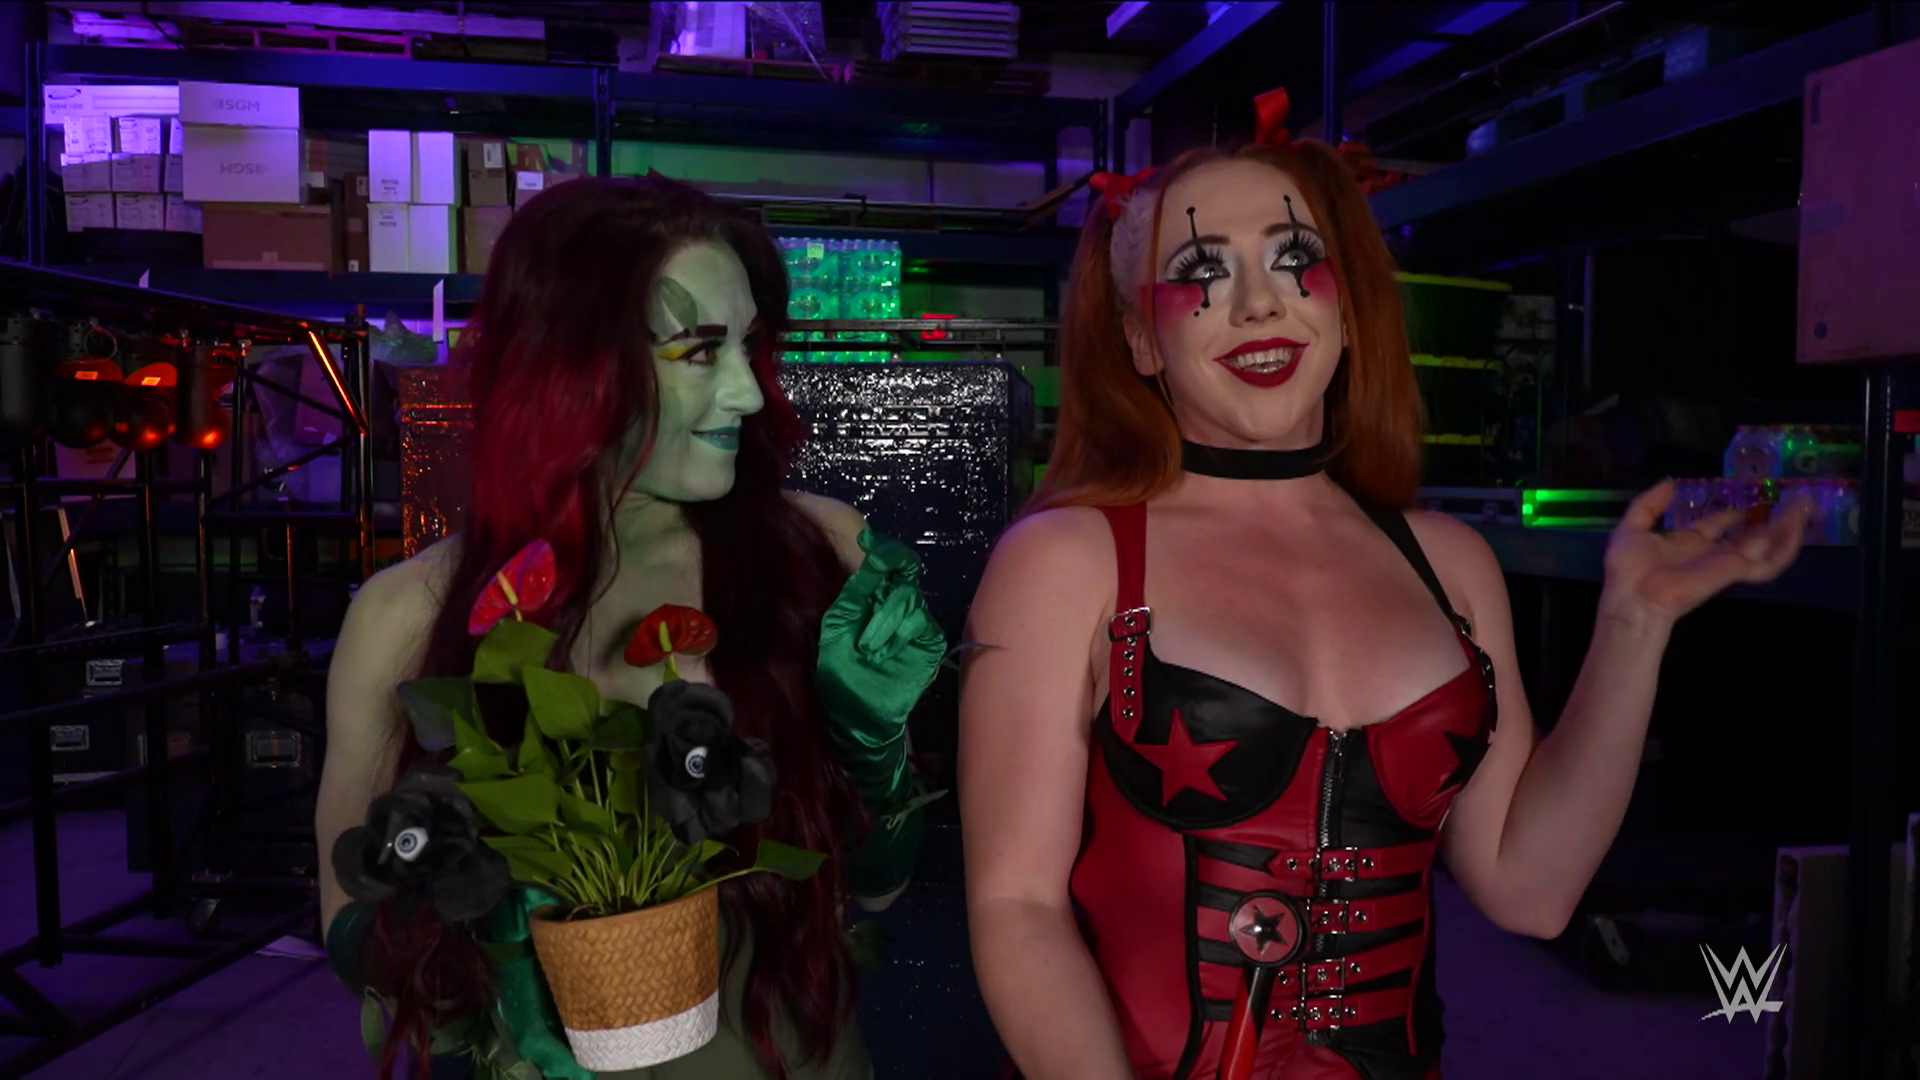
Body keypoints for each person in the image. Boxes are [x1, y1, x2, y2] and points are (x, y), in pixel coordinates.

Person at [957, 89, 1810, 1080]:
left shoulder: (1448, 564)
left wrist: (1636, 622)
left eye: (1294, 258)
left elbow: (1530, 889)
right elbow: (1016, 908)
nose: (1259, 303)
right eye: (1201, 271)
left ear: (1347, 306)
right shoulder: (1070, 561)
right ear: (1142, 340)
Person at [316, 176, 944, 1079]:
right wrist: (460, 917)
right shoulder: (407, 616)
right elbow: (350, 936)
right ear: (569, 364)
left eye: (749, 346)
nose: (748, 393)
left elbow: (882, 886)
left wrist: (872, 746)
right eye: (699, 351)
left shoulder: (823, 555)